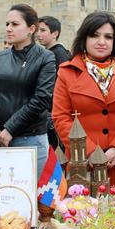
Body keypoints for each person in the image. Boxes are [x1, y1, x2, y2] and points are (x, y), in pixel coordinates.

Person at [52, 12, 115, 186]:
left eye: (108, 37)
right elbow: (61, 117)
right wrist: (91, 152)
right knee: (84, 211)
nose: (102, 42)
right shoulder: (67, 72)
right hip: (83, 163)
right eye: (95, 35)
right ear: (84, 38)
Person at [0, 4, 56, 178]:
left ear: (31, 29)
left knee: (31, 196)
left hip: (30, 138)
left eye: (15, 24)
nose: (8, 29)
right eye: (7, 24)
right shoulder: (1, 57)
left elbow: (41, 99)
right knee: (1, 194)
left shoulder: (45, 58)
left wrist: (10, 129)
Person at [37, 16, 71, 151]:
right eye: (38, 30)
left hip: (54, 113)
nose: (38, 34)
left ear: (55, 33)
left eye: (43, 30)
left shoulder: (58, 54)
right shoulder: (49, 53)